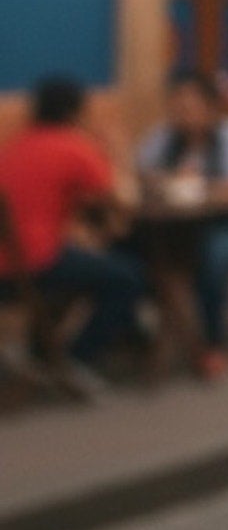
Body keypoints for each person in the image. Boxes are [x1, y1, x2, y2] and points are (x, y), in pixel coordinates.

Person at [0, 75, 146, 371]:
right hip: (32, 265)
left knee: (89, 259)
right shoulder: (73, 146)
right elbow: (124, 200)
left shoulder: (15, 145)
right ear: (75, 113)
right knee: (129, 276)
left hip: (12, 265)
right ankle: (77, 359)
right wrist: (117, 150)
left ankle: (43, 351)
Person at [136, 70, 228, 380]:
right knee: (130, 253)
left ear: (210, 107)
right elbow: (142, 177)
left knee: (212, 257)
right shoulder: (163, 138)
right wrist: (167, 185)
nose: (182, 115)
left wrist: (197, 191)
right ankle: (135, 336)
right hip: (172, 230)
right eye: (176, 107)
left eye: (189, 107)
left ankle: (213, 341)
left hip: (227, 226)